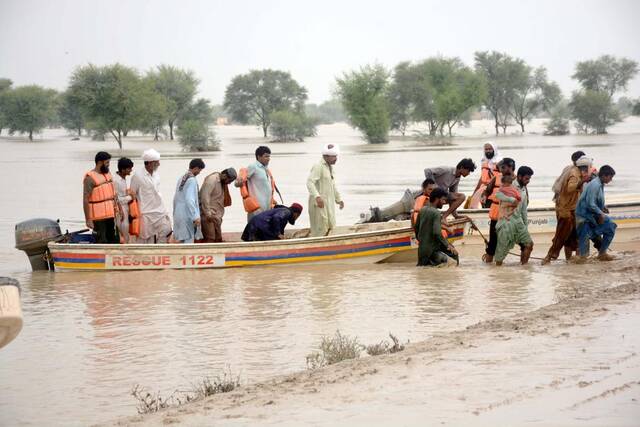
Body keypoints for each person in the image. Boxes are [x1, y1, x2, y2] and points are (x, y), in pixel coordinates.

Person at [542, 156, 593, 264]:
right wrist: (582, 181)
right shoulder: (575, 174)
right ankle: (549, 257)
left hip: (570, 208)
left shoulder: (572, 170)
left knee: (573, 236)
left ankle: (570, 261)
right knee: (561, 236)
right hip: (566, 210)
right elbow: (570, 188)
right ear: (585, 167)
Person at [575, 165, 617, 261]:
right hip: (584, 216)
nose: (611, 180)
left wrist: (602, 207)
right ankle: (583, 258)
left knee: (611, 226)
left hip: (592, 215)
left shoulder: (600, 183)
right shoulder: (595, 185)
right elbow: (590, 203)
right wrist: (601, 213)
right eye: (610, 177)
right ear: (604, 176)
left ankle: (602, 253)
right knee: (584, 252)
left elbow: (594, 201)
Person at [130, 149, 172, 244]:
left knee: (166, 230)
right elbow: (132, 195)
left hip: (160, 211)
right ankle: (143, 256)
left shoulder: (156, 175)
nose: (159, 164)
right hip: (145, 213)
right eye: (157, 162)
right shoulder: (138, 176)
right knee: (143, 238)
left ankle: (159, 251)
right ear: (149, 163)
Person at [494, 167, 534, 265]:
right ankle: (497, 273)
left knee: (529, 244)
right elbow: (498, 195)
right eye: (526, 179)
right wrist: (511, 200)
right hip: (506, 221)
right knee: (501, 251)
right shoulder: (509, 184)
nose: (528, 181)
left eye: (529, 179)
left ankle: (523, 269)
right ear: (519, 176)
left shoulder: (524, 189)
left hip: (518, 221)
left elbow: (524, 210)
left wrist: (525, 226)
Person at [482, 157, 515, 263]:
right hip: (496, 215)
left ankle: (499, 266)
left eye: (503, 167)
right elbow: (487, 191)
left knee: (506, 242)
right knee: (492, 243)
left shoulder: (516, 180)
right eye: (501, 167)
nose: (501, 169)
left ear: (510, 167)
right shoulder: (496, 177)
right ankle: (490, 264)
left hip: (509, 216)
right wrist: (484, 197)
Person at [307, 143, 344, 237]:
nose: (336, 159)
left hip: (328, 203)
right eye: (334, 156)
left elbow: (333, 185)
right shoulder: (318, 166)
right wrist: (317, 197)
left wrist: (339, 199)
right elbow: (310, 183)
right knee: (320, 227)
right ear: (326, 156)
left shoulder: (330, 168)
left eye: (336, 156)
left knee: (330, 224)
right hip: (319, 203)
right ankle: (317, 247)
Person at [414, 188, 458, 267]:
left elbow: (416, 228)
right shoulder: (436, 213)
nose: (444, 202)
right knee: (454, 255)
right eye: (443, 200)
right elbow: (437, 233)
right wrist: (448, 245)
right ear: (437, 199)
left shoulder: (423, 210)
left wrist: (422, 242)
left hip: (422, 249)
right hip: (432, 250)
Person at [83, 151, 119, 244]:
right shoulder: (89, 178)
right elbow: (85, 199)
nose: (108, 165)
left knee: (113, 240)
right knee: (101, 241)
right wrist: (88, 219)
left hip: (110, 215)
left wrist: (119, 210)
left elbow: (114, 195)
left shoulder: (108, 174)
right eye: (107, 163)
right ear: (100, 162)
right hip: (98, 219)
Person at [235, 146, 277, 221]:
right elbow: (238, 182)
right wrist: (238, 183)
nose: (268, 158)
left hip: (267, 208)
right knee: (254, 230)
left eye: (269, 156)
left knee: (265, 230)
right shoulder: (253, 167)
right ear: (259, 157)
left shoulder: (266, 169)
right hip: (256, 209)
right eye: (266, 156)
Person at [199, 168, 237, 243]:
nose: (229, 183)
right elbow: (204, 197)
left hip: (217, 216)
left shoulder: (222, 182)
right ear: (224, 175)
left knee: (218, 238)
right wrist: (208, 214)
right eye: (229, 181)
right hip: (208, 216)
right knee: (210, 238)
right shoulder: (212, 180)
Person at [173, 159, 205, 243]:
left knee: (182, 240)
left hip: (178, 214)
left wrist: (175, 213)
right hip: (187, 215)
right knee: (188, 241)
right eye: (200, 170)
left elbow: (175, 198)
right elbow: (189, 199)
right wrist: (195, 216)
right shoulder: (191, 180)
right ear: (196, 168)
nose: (199, 172)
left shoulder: (182, 178)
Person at [470, 142, 502, 208]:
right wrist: (475, 191)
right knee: (484, 205)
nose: (488, 151)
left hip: (494, 188)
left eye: (490, 149)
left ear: (494, 150)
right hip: (483, 189)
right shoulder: (484, 161)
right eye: (486, 149)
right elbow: (482, 178)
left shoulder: (500, 162)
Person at [114, 157, 135, 243]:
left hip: (125, 208)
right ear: (123, 169)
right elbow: (116, 199)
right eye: (129, 168)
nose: (131, 170)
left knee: (126, 229)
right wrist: (131, 197)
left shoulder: (123, 179)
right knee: (123, 229)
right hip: (120, 210)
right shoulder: (116, 181)